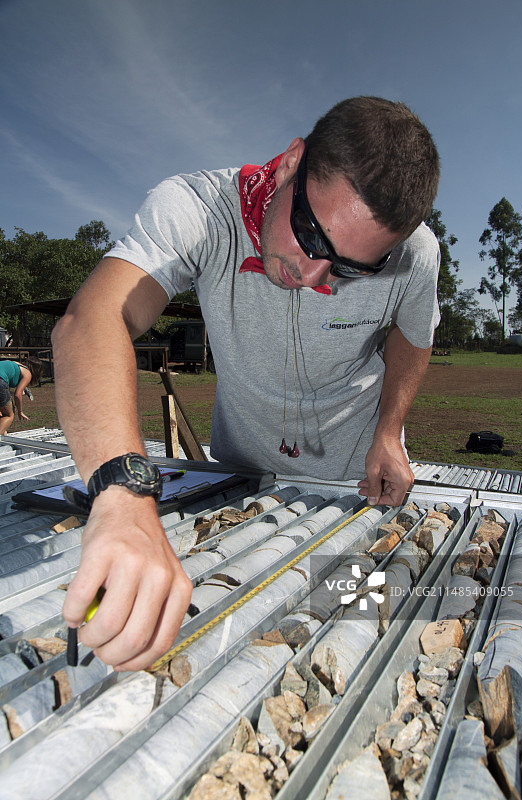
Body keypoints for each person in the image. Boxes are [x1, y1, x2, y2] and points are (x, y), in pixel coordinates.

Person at [52, 96, 441, 671]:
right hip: (242, 482)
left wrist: (389, 431)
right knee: (229, 653)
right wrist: (123, 496)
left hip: (358, 489)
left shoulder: (416, 256)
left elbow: (414, 335)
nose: (311, 276)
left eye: (349, 268)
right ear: (291, 162)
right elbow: (93, 320)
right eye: (310, 233)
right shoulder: (197, 209)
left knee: (344, 652)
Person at [0, 358, 42, 435]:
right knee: (9, 415)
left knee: (1, 412)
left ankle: (3, 434)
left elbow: (4, 394)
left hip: (1, 382)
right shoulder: (27, 373)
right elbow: (17, 395)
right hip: (1, 381)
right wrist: (20, 411)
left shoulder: (13, 363)